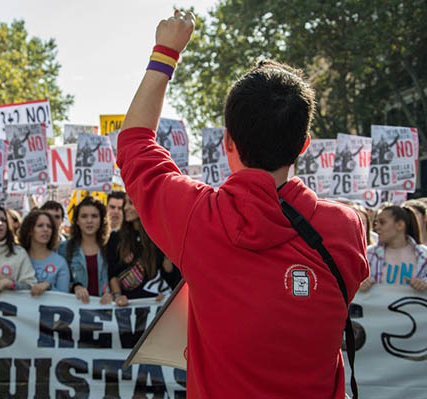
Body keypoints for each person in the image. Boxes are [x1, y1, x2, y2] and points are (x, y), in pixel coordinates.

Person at [116, 11, 368, 398]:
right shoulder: (346, 228)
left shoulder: (198, 218)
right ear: (304, 144)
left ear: (227, 142)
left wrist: (165, 52)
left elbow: (135, 143)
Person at [107, 195, 181, 305]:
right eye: (125, 204)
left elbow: (170, 274)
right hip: (126, 307)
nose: (126, 208)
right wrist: (117, 296)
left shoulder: (159, 237)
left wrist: (165, 294)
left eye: (131, 203)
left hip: (154, 307)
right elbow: (112, 272)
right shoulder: (116, 238)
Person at [58, 196, 112, 304]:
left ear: (101, 220)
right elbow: (61, 281)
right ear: (77, 220)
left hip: (106, 311)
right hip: (77, 310)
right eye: (84, 216)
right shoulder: (65, 248)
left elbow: (117, 278)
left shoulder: (110, 246)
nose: (89, 221)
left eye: (94, 216)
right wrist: (75, 287)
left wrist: (113, 294)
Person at [362, 204, 427, 291]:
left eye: (382, 222)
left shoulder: (423, 255)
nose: (377, 227)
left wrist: (424, 284)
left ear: (400, 225)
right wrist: (361, 284)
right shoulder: (369, 254)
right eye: (376, 223)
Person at [19, 210, 70, 294]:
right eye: (40, 226)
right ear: (30, 230)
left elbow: (64, 297)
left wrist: (49, 287)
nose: (46, 229)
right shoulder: (18, 258)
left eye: (49, 226)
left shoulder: (60, 262)